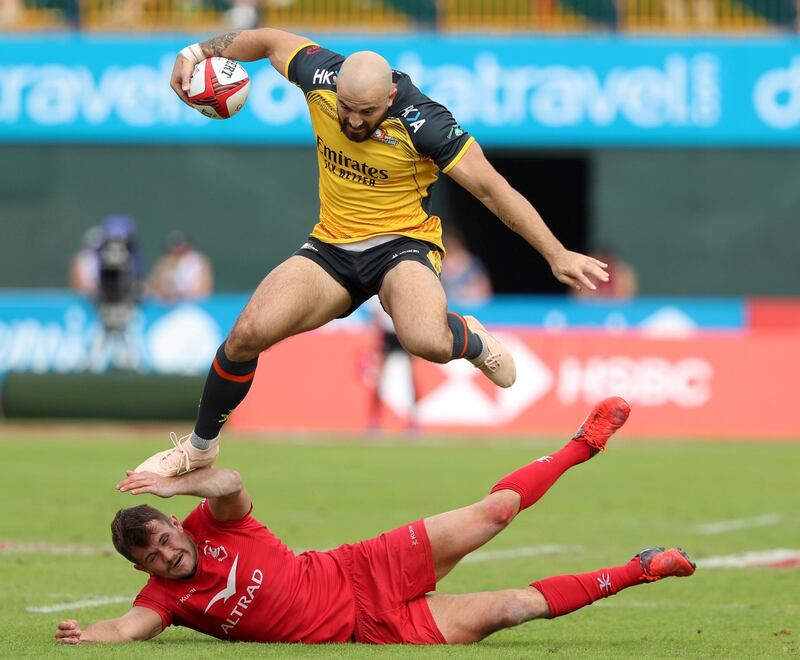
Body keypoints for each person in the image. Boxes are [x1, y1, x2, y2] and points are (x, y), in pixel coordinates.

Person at [134, 28, 611, 477]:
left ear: (388, 98)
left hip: (403, 247)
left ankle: (470, 339)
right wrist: (196, 53)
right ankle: (198, 450)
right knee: (246, 334)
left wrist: (556, 253)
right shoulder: (319, 73)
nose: (353, 121)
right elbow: (266, 40)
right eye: (345, 108)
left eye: (366, 112)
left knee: (425, 339)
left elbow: (490, 188)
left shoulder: (425, 122)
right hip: (331, 247)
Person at [54, 397, 696, 646]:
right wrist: (91, 636)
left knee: (496, 510)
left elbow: (231, 481)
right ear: (143, 569)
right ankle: (642, 569)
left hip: (364, 565)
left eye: (167, 538)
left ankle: (582, 443)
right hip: (374, 628)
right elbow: (128, 627)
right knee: (510, 609)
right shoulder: (164, 599)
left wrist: (175, 481)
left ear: (174, 525)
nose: (169, 555)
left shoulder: (212, 523)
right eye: (156, 558)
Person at [147, 231, 214, 303]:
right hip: (168, 305)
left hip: (194, 304)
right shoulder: (163, 263)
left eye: (180, 245)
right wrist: (169, 294)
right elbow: (155, 284)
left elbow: (205, 287)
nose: (177, 248)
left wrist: (187, 294)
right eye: (175, 245)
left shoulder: (199, 261)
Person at [440, 230, 493, 304]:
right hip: (451, 307)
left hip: (475, 306)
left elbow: (485, 288)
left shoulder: (472, 262)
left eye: (454, 248)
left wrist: (467, 293)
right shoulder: (439, 266)